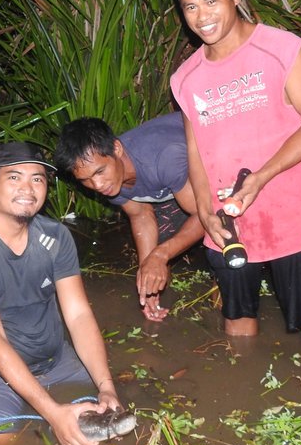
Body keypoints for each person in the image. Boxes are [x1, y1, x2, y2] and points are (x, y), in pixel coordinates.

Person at [169, 0, 301, 361]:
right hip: (228, 224)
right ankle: (243, 389)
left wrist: (261, 177)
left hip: (290, 215)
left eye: (211, 1)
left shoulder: (281, 49)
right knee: (237, 317)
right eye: (190, 7)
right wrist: (205, 210)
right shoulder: (185, 78)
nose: (202, 16)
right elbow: (196, 150)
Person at [0, 142, 123, 445]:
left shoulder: (56, 237)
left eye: (37, 179)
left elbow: (78, 315)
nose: (27, 188)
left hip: (57, 361)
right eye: (14, 177)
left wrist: (107, 388)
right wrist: (53, 413)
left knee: (115, 422)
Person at [55, 115, 205, 322]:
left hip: (219, 160)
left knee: (220, 242)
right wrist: (146, 275)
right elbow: (140, 214)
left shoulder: (164, 158)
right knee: (159, 254)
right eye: (85, 180)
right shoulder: (111, 180)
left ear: (117, 149)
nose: (97, 185)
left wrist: (160, 255)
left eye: (100, 171)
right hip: (177, 186)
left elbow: (204, 217)